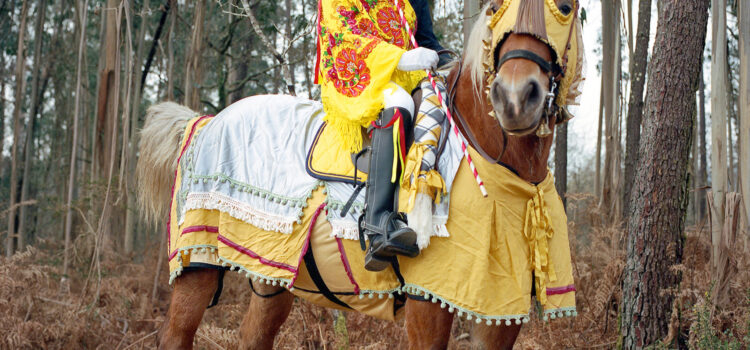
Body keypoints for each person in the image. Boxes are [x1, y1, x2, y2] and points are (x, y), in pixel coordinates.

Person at [315, 0, 445, 271]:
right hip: (353, 71)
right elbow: (342, 32)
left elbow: (426, 41)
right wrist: (401, 58)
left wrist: (448, 62)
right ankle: (377, 222)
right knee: (401, 102)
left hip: (405, 73)